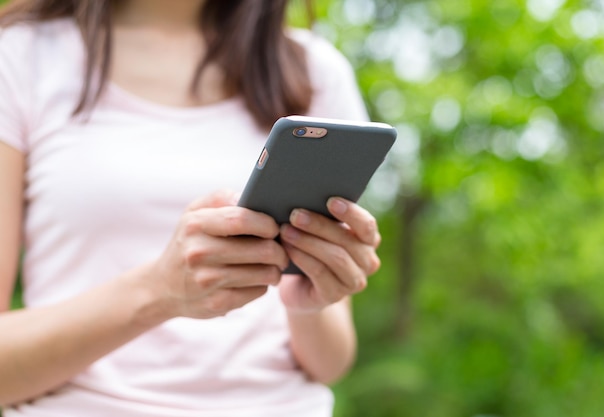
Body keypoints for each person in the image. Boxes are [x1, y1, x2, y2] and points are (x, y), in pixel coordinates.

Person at [0, 0, 381, 416]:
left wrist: (307, 301)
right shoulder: (22, 56)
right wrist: (159, 291)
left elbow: (330, 363)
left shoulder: (313, 68)